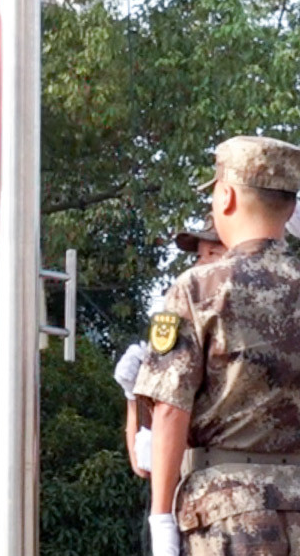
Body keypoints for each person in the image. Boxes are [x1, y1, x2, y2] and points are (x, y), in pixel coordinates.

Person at [135, 136, 300, 556]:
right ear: (292, 209)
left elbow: (171, 407)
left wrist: (161, 521)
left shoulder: (199, 288)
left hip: (223, 512)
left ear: (226, 196)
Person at [113, 224, 227, 556]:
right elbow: (145, 460)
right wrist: (135, 397)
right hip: (189, 503)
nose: (200, 265)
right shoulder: (183, 322)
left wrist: (161, 520)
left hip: (220, 501)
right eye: (199, 256)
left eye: (212, 253)